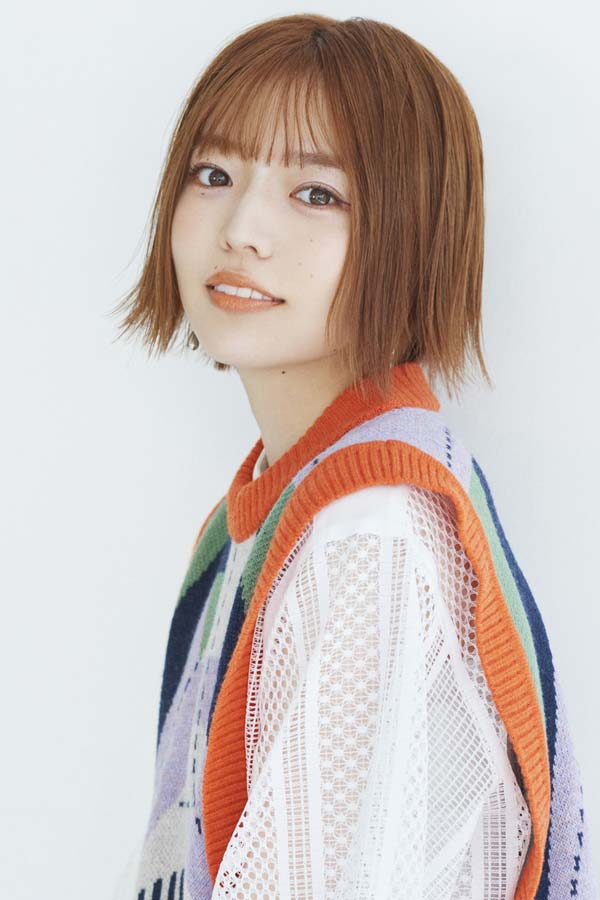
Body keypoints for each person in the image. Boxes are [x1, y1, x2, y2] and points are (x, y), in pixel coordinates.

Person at [111, 13, 596, 900]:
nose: (243, 229)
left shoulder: (370, 536)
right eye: (213, 175)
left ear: (413, 232)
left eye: (316, 194)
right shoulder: (275, 505)